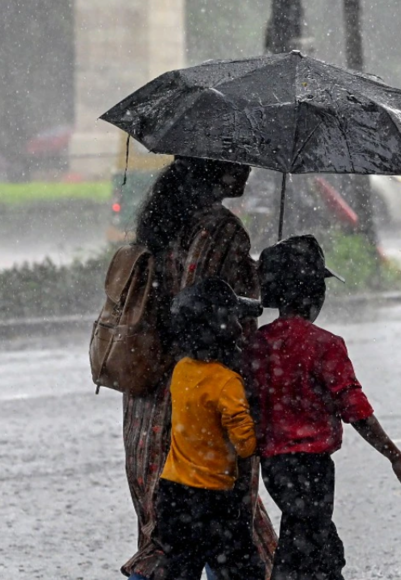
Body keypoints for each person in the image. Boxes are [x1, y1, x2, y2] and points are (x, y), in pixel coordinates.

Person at [122, 157, 277, 580]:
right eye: (239, 160)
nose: (249, 169)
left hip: (150, 395)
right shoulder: (221, 229)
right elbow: (220, 311)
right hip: (201, 397)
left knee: (166, 528)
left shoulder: (162, 220)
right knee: (229, 525)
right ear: (217, 167)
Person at [245, 235, 401, 580]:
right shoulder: (326, 345)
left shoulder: (257, 345)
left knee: (304, 538)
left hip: (273, 467)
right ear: (315, 294)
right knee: (312, 547)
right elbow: (356, 410)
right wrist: (394, 455)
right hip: (313, 468)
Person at [152, 279, 267, 580]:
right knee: (244, 571)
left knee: (180, 569)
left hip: (173, 494)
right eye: (236, 320)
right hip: (213, 500)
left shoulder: (181, 370)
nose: (242, 328)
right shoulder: (227, 382)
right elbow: (245, 446)